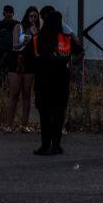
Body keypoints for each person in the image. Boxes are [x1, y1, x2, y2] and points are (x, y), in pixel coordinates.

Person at [32, 10, 81, 155]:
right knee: (59, 112)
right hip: (61, 79)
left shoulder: (41, 37)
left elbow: (36, 55)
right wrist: (71, 63)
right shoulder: (66, 38)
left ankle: (45, 146)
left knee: (45, 114)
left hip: (44, 79)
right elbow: (80, 50)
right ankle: (56, 145)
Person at [3, 6, 39, 133]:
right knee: (14, 93)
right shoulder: (19, 27)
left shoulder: (37, 30)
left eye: (35, 16)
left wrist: (36, 36)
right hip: (16, 61)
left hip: (30, 63)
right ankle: (8, 125)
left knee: (27, 94)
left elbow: (38, 49)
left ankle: (24, 124)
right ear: (26, 16)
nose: (33, 19)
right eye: (31, 16)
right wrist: (28, 36)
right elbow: (15, 45)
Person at [0, 4, 17, 84]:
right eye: (7, 12)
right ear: (4, 13)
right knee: (0, 73)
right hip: (1, 53)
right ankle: (0, 90)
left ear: (13, 13)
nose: (9, 14)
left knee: (12, 73)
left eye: (10, 12)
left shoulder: (16, 24)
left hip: (13, 53)